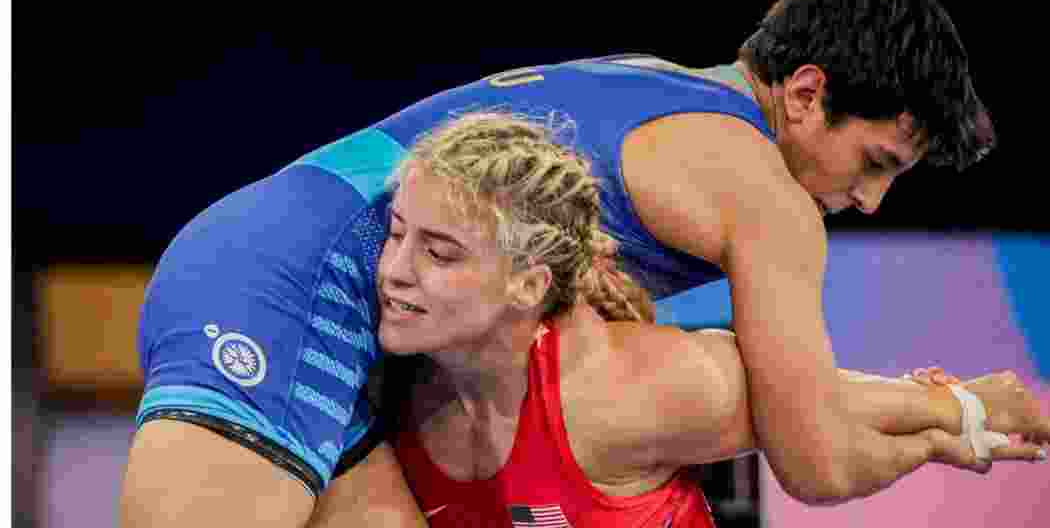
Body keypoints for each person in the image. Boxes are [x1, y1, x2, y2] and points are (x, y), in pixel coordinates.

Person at [121, 0, 1019, 525]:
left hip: (307, 281)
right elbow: (815, 462)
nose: (868, 198)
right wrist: (957, 428)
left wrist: (940, 409)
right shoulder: (760, 191)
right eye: (876, 161)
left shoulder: (653, 86)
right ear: (807, 92)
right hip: (286, 290)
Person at [347, 112, 1044, 527]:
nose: (395, 269)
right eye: (398, 233)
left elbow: (822, 406)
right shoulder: (387, 379)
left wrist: (958, 410)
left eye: (438, 251)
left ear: (527, 284)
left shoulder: (625, 391)